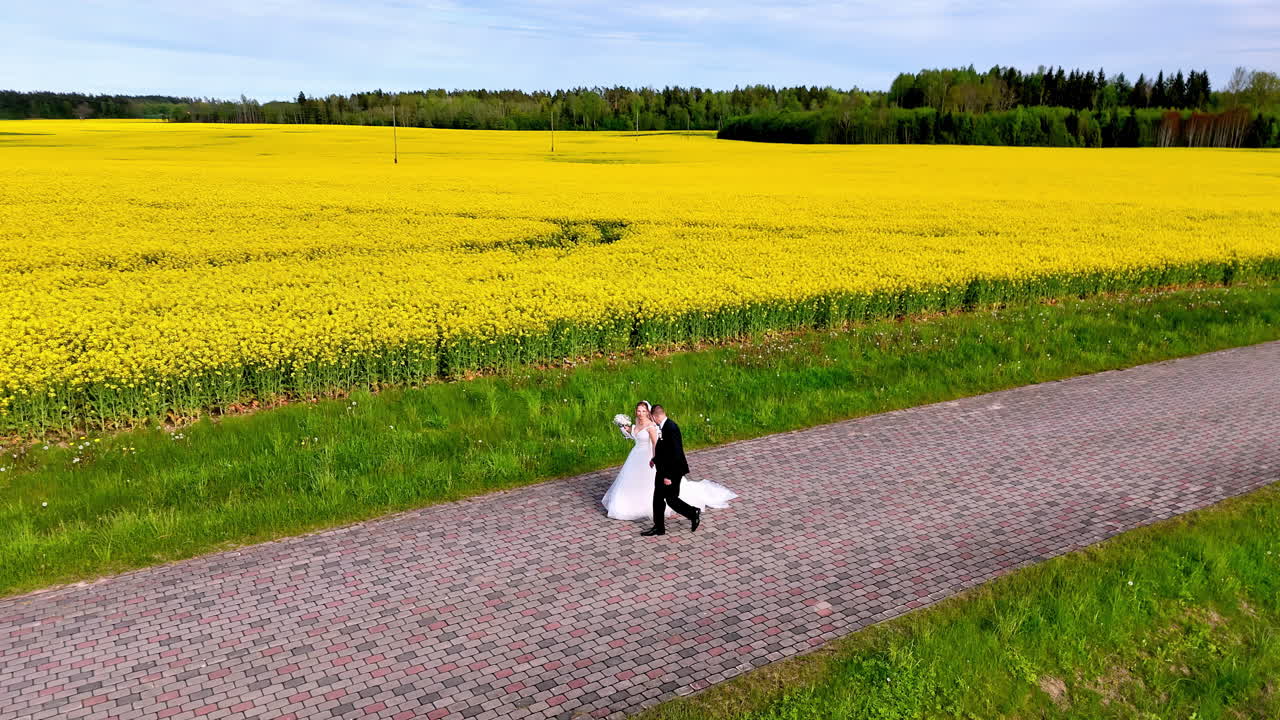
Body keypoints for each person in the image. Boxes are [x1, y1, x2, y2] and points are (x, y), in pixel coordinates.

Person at [601, 402, 736, 529]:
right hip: (642, 458)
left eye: (644, 411)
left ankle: (688, 514)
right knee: (656, 495)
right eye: (638, 410)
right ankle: (659, 527)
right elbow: (639, 436)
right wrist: (625, 428)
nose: (641, 413)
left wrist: (659, 464)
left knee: (667, 497)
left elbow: (661, 447)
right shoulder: (647, 424)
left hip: (660, 464)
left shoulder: (660, 427)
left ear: (651, 414)